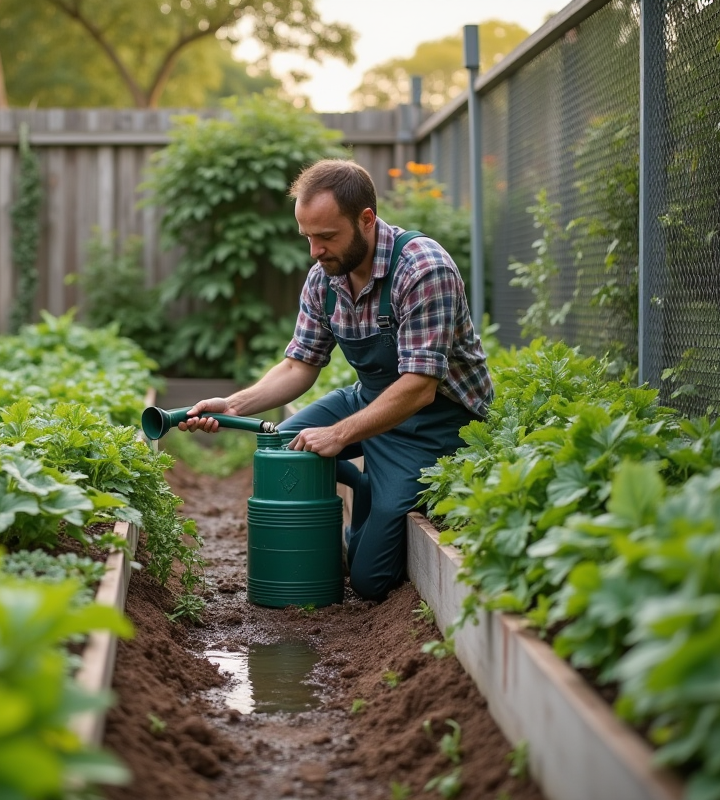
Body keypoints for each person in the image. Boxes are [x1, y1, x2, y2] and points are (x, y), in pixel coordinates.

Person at [182, 158, 494, 601]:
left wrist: (339, 434)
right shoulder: (323, 280)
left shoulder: (424, 269)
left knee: (368, 582)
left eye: (326, 237)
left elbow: (421, 387)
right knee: (282, 451)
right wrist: (234, 405)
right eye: (307, 237)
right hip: (370, 399)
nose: (315, 251)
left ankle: (373, 498)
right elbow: (299, 365)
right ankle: (363, 482)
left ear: (366, 220)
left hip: (434, 424)